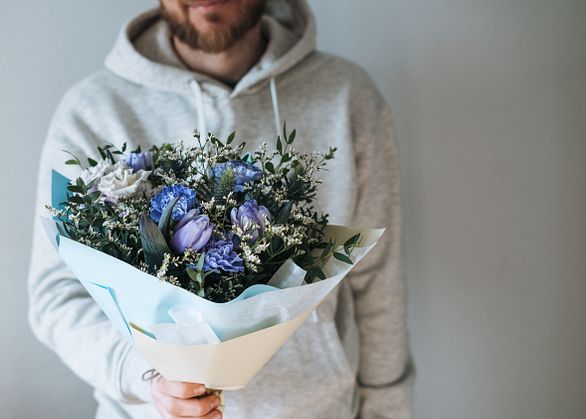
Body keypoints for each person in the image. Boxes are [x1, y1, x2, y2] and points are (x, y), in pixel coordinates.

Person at [27, 0, 415, 417]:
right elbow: (57, 294)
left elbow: (377, 285)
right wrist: (147, 376)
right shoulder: (94, 110)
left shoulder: (347, 96)